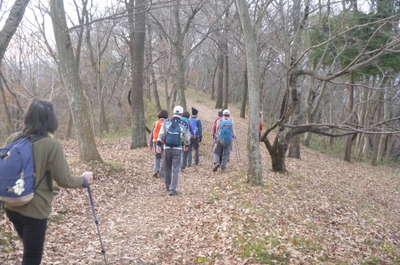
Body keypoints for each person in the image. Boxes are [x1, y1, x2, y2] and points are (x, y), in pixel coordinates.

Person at [3, 99, 93, 265]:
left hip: (11, 205)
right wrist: (84, 180)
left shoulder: (13, 139)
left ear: (28, 117)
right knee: (32, 257)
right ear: (51, 120)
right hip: (35, 211)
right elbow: (65, 179)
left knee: (28, 250)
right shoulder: (51, 145)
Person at [157, 105, 190, 196]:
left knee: (167, 167)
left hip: (167, 148)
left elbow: (161, 134)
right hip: (178, 149)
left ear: (174, 112)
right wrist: (187, 145)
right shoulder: (184, 123)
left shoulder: (167, 122)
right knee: (175, 169)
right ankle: (173, 189)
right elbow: (187, 136)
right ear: (182, 113)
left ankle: (167, 186)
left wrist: (159, 143)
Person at [149, 110, 168, 178]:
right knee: (164, 157)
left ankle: (156, 170)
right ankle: (162, 173)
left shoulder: (156, 123)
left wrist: (150, 143)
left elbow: (152, 134)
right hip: (164, 142)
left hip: (155, 141)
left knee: (157, 156)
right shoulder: (167, 123)